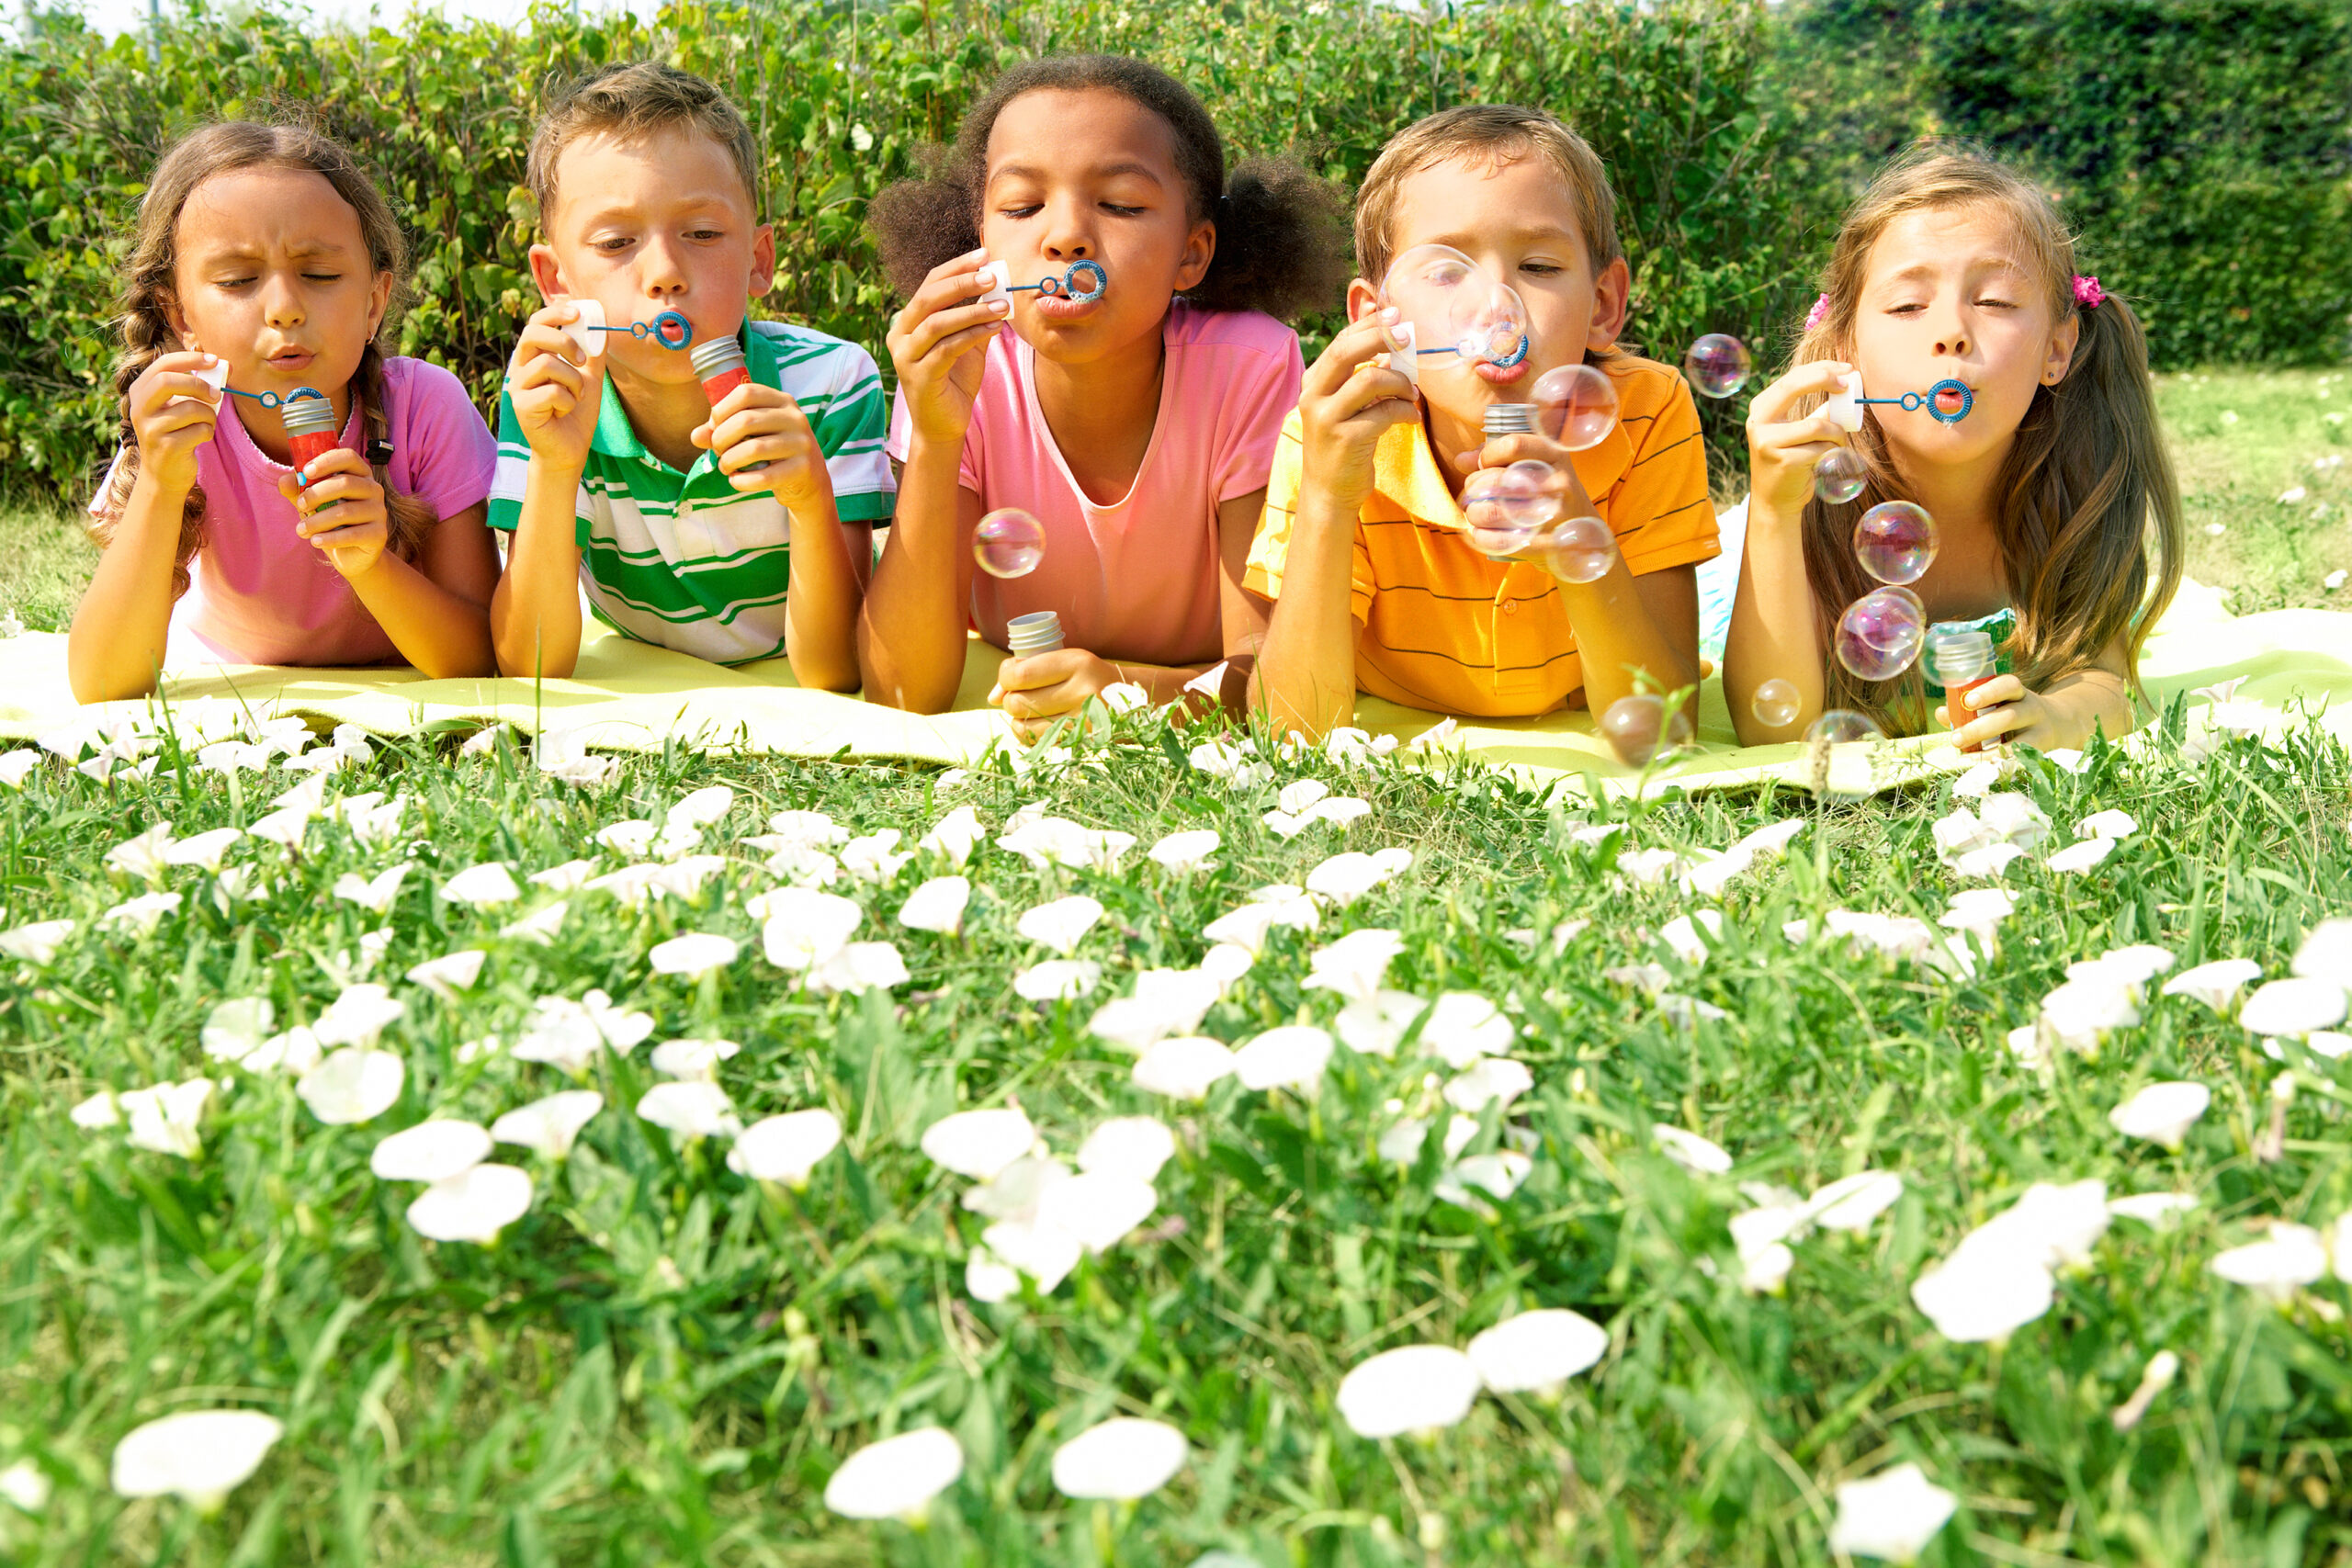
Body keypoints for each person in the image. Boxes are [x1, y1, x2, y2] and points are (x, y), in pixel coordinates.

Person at [864, 53, 1348, 737]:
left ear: (1192, 252)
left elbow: (1268, 676)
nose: (1064, 237)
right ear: (980, 240)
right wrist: (937, 437)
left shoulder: (1248, 366)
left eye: (1120, 204)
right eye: (1022, 206)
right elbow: (902, 689)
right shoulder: (957, 369)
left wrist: (1124, 693)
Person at [1247, 105, 1717, 740]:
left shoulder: (1649, 410)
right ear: (1375, 320)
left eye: (1539, 268)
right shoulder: (1334, 434)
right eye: (1446, 271)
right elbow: (1290, 732)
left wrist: (1580, 543)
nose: (1497, 311)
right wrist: (1329, 496)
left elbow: (1663, 728)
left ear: (1604, 306)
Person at [1724, 146, 2183, 749]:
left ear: (2057, 348)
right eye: (1908, 305)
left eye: (1993, 300)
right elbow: (1772, 730)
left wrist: (2057, 720)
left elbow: (2103, 681)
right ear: (1846, 351)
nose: (1950, 333)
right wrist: (1773, 512)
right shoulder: (1805, 504)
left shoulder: (2077, 488)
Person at [492, 62, 893, 688]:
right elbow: (531, 665)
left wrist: (811, 499)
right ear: (555, 283)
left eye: (702, 232)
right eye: (616, 242)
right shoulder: (548, 402)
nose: (664, 272)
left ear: (759, 262)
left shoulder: (831, 384)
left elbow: (836, 669)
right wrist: (556, 465)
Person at [71, 121, 499, 703]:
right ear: (182, 318)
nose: (284, 309)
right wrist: (159, 484)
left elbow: (477, 657)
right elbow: (102, 686)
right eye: (238, 280)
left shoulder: (426, 408)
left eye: (318, 274)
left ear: (374, 303)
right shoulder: (182, 422)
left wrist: (370, 564)